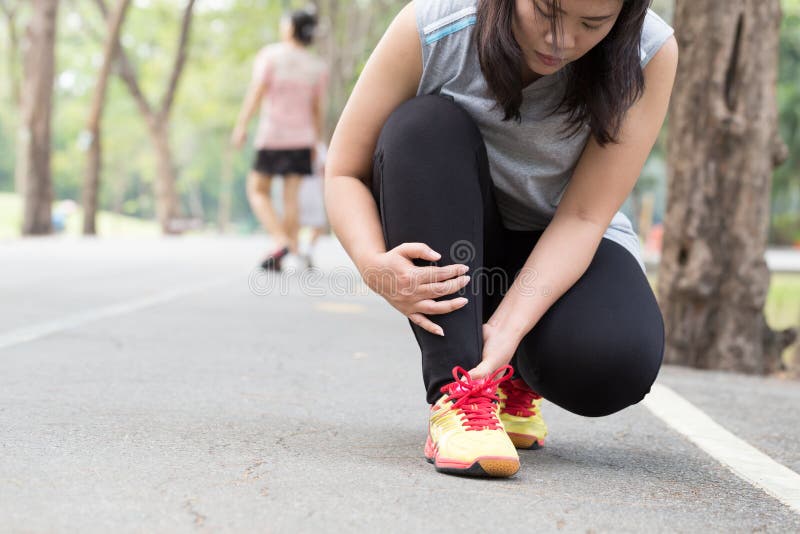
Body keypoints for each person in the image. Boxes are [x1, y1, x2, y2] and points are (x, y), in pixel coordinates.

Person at [325, 0, 678, 478]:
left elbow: (583, 216)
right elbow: (344, 171)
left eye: (592, 24)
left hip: (561, 242)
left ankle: (510, 375)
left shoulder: (648, 51)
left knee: (613, 361)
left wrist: (510, 329)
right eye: (547, 12)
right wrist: (372, 263)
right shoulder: (434, 27)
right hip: (460, 237)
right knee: (422, 125)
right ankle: (460, 393)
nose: (562, 40)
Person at [231, 8, 329, 271]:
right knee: (291, 199)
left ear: (289, 28)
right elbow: (317, 109)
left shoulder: (271, 56)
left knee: (257, 190)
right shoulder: (317, 67)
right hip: (302, 140)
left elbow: (256, 93)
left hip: (273, 136)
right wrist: (316, 143)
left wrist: (241, 126)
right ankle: (287, 248)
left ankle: (281, 240)